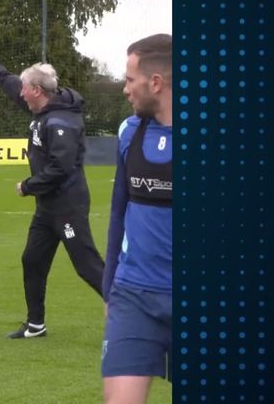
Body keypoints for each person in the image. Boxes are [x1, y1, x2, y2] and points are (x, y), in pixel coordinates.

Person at [0, 44, 104, 339]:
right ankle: (36, 324)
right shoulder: (42, 108)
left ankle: (135, 318)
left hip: (68, 205)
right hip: (47, 209)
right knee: (32, 260)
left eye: (24, 88)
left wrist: (27, 186)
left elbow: (62, 167)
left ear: (36, 90)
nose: (20, 93)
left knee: (87, 266)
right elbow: (11, 85)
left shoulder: (61, 122)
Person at [101, 34, 172, 404]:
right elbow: (118, 211)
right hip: (134, 295)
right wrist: (109, 285)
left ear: (155, 83)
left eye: (130, 80)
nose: (125, 88)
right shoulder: (130, 132)